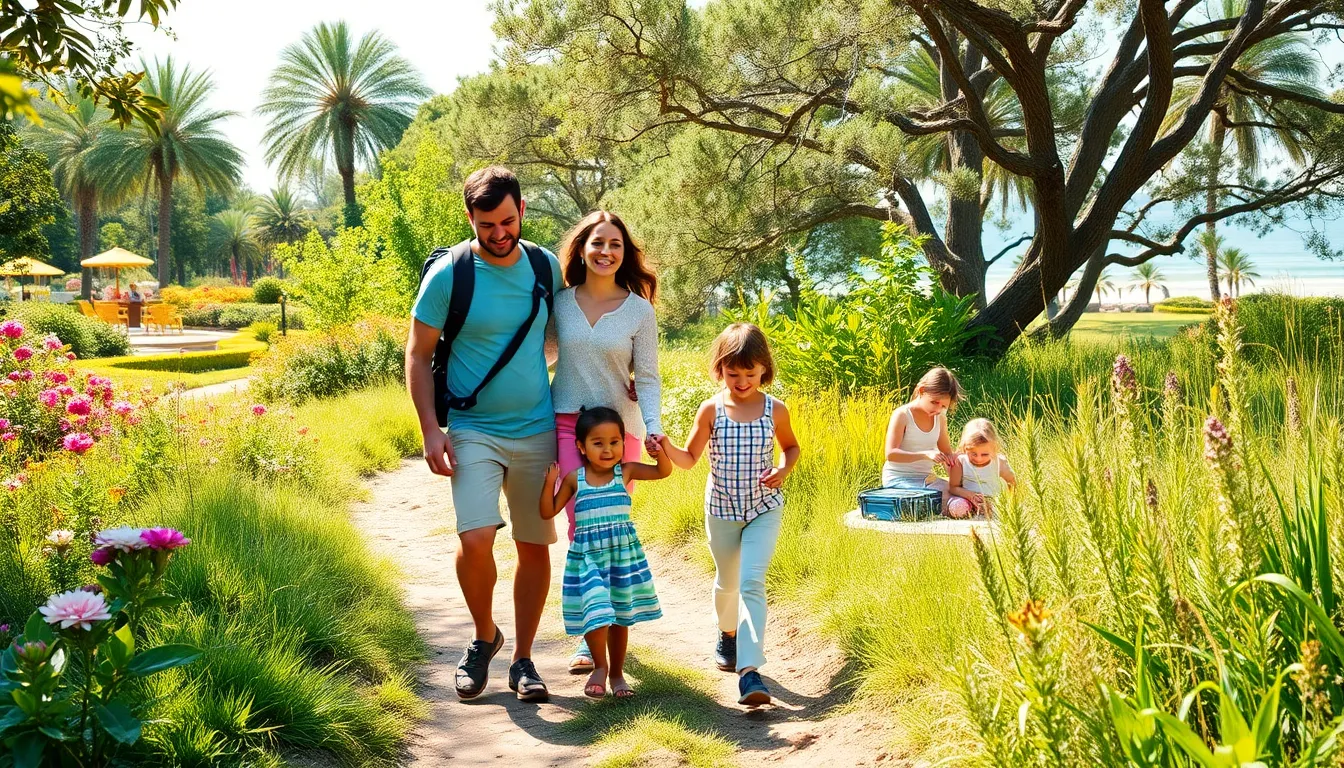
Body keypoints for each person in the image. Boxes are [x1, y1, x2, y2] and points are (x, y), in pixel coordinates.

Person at [405, 166, 563, 703]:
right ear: (469, 217)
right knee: (475, 537)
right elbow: (419, 354)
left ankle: (523, 659)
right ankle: (483, 637)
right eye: (487, 223)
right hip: (473, 428)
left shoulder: (546, 267)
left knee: (533, 544)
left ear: (522, 210)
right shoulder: (450, 273)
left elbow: (571, 337)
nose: (500, 233)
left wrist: (622, 378)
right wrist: (431, 430)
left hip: (538, 428)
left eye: (509, 221)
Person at [660, 323, 801, 706]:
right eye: (732, 373)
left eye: (750, 373)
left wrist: (784, 469)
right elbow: (689, 460)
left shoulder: (775, 409)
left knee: (752, 582)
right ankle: (727, 633)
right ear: (720, 369)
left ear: (764, 370)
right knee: (728, 583)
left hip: (763, 508)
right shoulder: (711, 409)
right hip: (721, 509)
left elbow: (791, 448)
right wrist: (665, 446)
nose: (741, 381)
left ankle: (750, 672)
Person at [548, 210, 663, 676]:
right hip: (566, 426)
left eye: (615, 244)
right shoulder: (559, 302)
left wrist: (653, 428)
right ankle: (586, 634)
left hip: (621, 434)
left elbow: (649, 376)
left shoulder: (639, 310)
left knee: (612, 530)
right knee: (581, 531)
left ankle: (612, 621)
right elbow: (540, 357)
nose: (605, 252)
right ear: (582, 248)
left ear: (624, 252)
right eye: (597, 243)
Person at [541, 407, 670, 699]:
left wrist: (657, 451)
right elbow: (548, 511)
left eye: (614, 441)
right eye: (598, 443)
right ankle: (600, 667)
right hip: (588, 559)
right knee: (596, 612)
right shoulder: (576, 478)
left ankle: (617, 673)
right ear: (581, 447)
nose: (608, 449)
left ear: (623, 443)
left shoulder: (625, 472)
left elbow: (663, 471)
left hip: (621, 559)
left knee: (620, 616)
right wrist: (550, 483)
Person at [881, 367, 961, 513]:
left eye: (944, 406)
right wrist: (926, 454)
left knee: (961, 495)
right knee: (945, 499)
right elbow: (891, 454)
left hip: (927, 480)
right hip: (898, 480)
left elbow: (947, 454)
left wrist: (960, 480)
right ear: (922, 391)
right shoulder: (902, 415)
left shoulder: (940, 418)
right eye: (934, 402)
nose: (938, 409)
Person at [946, 418, 1017, 518]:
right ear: (965, 448)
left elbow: (1013, 483)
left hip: (993, 501)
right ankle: (970, 513)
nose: (978, 459)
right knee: (957, 507)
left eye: (984, 454)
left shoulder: (999, 463)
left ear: (994, 448)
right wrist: (971, 496)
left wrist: (1011, 504)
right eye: (973, 454)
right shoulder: (960, 462)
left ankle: (988, 511)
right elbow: (953, 488)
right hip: (968, 500)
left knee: (999, 510)